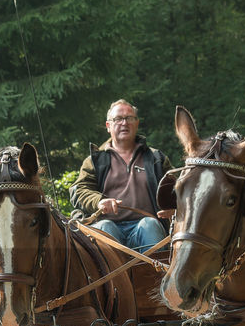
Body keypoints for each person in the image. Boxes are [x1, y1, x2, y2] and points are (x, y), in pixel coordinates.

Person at [69, 99, 172, 252]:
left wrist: (174, 207)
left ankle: (157, 276)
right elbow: (78, 191)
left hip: (147, 226)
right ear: (108, 126)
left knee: (150, 224)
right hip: (108, 226)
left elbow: (179, 188)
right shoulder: (95, 160)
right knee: (104, 227)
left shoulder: (156, 158)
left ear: (136, 123)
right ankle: (111, 276)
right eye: (118, 119)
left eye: (129, 118)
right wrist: (99, 201)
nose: (124, 123)